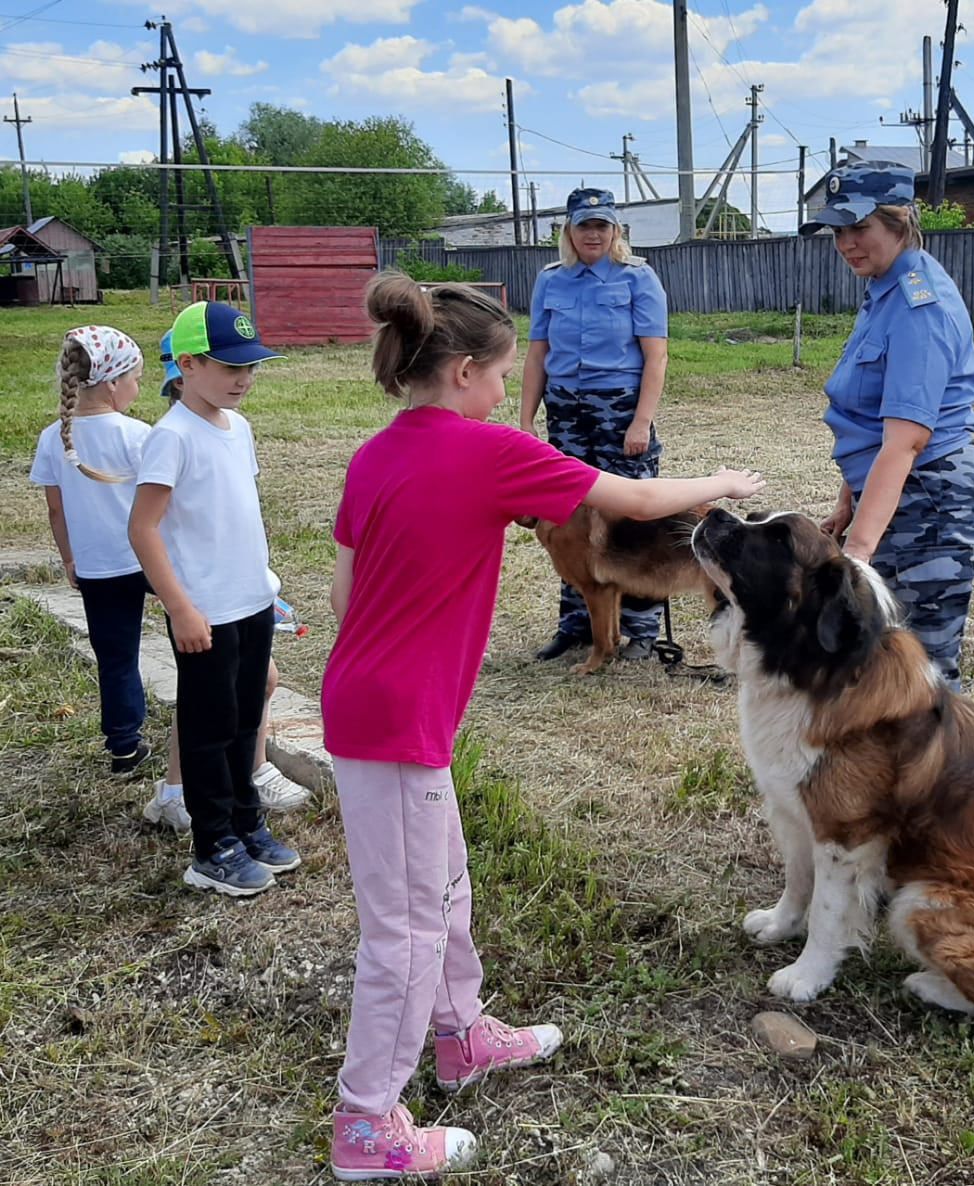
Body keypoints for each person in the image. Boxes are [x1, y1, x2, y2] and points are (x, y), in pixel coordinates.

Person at [323, 272, 764, 1179]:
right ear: (461, 375)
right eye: (500, 374)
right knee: (405, 925)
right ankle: (367, 1123)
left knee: (444, 884)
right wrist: (720, 481)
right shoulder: (485, 451)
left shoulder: (372, 456)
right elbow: (635, 501)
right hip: (397, 719)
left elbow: (342, 592)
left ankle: (461, 1037)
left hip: (378, 702)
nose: (508, 390)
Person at [803, 162, 974, 690]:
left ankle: (943, 773)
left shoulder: (918, 305)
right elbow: (870, 416)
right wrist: (849, 502)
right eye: (838, 231)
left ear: (900, 219)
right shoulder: (883, 289)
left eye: (859, 228)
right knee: (880, 665)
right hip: (894, 498)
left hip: (928, 504)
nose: (846, 243)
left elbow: (906, 440)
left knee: (921, 675)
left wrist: (857, 555)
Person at [128, 301, 298, 897]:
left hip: (250, 604)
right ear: (188, 364)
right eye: (230, 367)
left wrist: (266, 588)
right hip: (204, 614)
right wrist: (180, 607)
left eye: (251, 366)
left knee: (247, 716)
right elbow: (143, 529)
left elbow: (237, 515)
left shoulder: (239, 427)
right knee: (208, 728)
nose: (244, 378)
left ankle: (246, 823)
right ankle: (213, 846)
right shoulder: (170, 437)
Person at [520, 186, 670, 662]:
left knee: (634, 518)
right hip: (566, 410)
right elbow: (538, 354)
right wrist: (526, 419)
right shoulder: (551, 280)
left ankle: (641, 629)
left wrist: (641, 421)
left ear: (615, 230)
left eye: (602, 225)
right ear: (569, 230)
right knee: (566, 517)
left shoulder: (637, 278)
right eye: (585, 225)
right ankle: (578, 624)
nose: (594, 234)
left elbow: (656, 356)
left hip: (619, 407)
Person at [29, 326, 153, 777]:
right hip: (152, 559)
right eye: (137, 379)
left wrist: (68, 559)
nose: (138, 388)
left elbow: (56, 512)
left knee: (116, 656)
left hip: (98, 568)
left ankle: (124, 747)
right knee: (192, 633)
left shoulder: (53, 438)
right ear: (113, 382)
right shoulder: (139, 435)